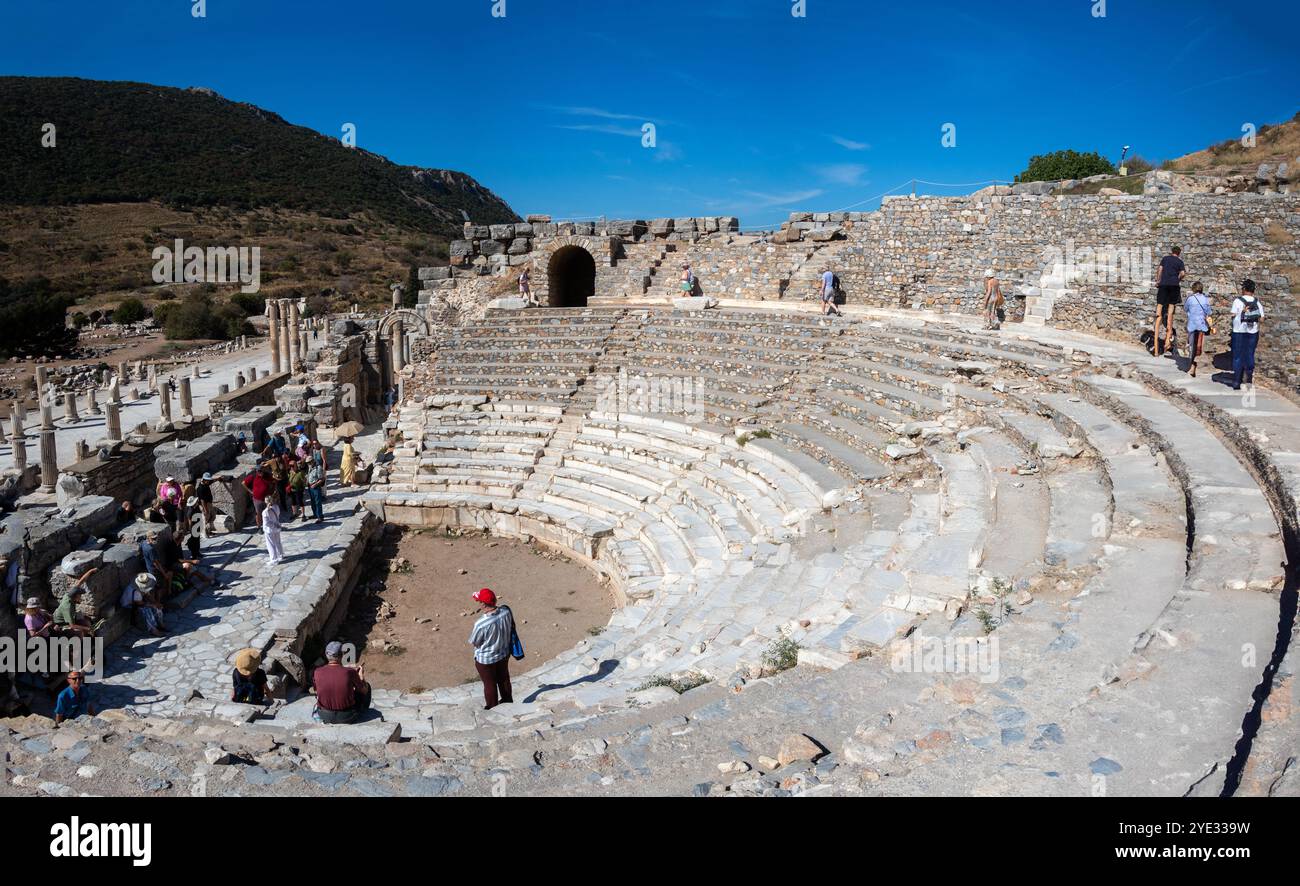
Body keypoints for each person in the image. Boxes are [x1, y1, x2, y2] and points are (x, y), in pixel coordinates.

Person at [468, 588, 515, 710]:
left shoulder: (481, 623)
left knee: (489, 684)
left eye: (479, 601)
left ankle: (493, 707)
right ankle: (508, 702)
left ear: (483, 604)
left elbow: (475, 642)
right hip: (504, 653)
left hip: (486, 659)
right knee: (504, 679)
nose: (479, 604)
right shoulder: (506, 611)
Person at [311, 641, 370, 724]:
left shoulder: (317, 672)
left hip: (324, 715)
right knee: (366, 687)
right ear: (342, 655)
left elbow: (317, 691)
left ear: (326, 655)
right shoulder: (350, 672)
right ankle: (364, 711)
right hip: (348, 716)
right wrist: (361, 676)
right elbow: (364, 691)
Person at [1230, 279, 1264, 390]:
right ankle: (1248, 379)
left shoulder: (1237, 301)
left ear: (1244, 289)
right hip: (1253, 332)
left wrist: (1242, 313)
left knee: (1237, 356)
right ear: (1253, 290)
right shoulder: (1257, 302)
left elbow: (1232, 315)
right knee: (1249, 354)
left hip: (1239, 331)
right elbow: (1262, 318)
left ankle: (1236, 381)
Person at [1153, 245, 1186, 357]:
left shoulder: (1165, 259)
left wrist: (1158, 280)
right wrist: (1177, 279)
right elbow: (1182, 273)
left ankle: (1156, 350)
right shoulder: (1180, 262)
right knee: (1171, 312)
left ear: (1172, 252)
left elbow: (1160, 269)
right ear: (1179, 253)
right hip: (1174, 286)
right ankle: (1167, 342)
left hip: (1163, 285)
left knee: (1159, 312)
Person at [1184, 281, 1212, 378]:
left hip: (1192, 325)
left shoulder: (1190, 299)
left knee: (1192, 346)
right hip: (1201, 325)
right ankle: (1195, 365)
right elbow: (1209, 312)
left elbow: (1186, 309)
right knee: (1199, 345)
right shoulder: (1205, 299)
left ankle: (1192, 366)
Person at [263, 499, 284, 566]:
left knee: (271, 544)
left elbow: (266, 523)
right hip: (277, 528)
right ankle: (281, 555)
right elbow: (278, 514)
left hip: (270, 530)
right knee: (278, 542)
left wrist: (273, 526)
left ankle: (274, 559)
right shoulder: (276, 507)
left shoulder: (265, 512)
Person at [306, 457, 326, 523]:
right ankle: (315, 514)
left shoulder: (318, 468)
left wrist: (315, 484)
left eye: (309, 462)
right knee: (312, 502)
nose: (308, 464)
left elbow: (321, 479)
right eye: (307, 463)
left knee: (318, 502)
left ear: (313, 461)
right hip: (310, 487)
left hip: (316, 487)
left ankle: (320, 516)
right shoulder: (310, 468)